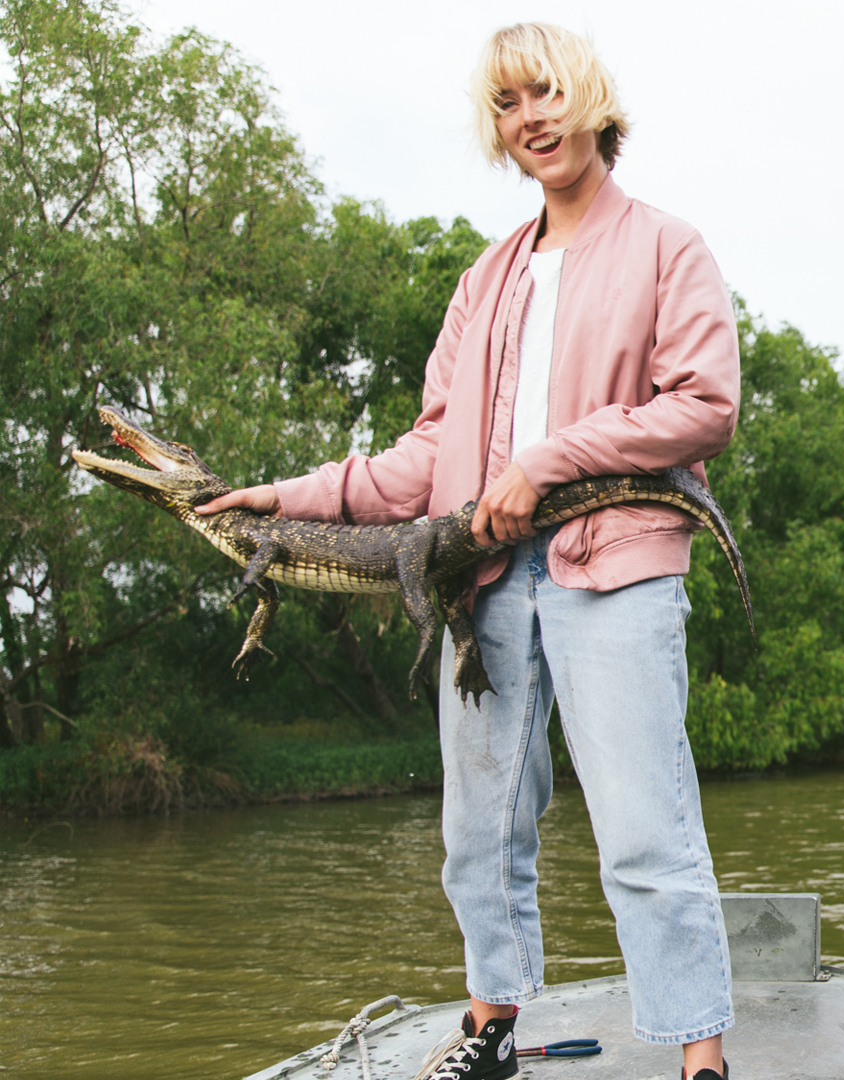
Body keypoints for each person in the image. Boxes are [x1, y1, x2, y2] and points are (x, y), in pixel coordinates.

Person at [197, 22, 738, 1080]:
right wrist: (286, 497)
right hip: (482, 585)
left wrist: (547, 459)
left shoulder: (669, 248)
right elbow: (426, 459)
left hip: (616, 567)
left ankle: (701, 1062)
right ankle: (490, 1034)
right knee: (479, 832)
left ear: (590, 99)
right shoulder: (484, 279)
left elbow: (703, 407)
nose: (529, 117)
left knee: (645, 830)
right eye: (506, 103)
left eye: (545, 92)